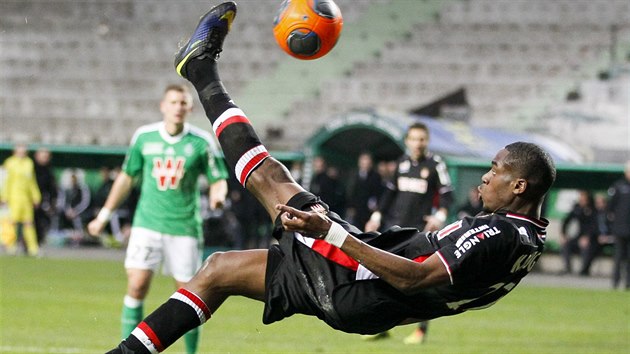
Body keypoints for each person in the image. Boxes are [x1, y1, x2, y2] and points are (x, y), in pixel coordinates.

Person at [106, 3, 556, 353]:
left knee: (271, 179)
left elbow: (418, 278)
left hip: (358, 278)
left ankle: (201, 70)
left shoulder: (498, 234)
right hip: (363, 292)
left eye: (495, 171)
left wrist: (333, 235)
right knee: (218, 271)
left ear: (520, 186)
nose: (484, 178)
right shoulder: (525, 240)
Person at [88, 83, 229, 354]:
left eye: (183, 103)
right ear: (163, 106)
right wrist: (104, 215)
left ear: (189, 108)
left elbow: (218, 178)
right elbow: (126, 178)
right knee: (137, 285)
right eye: (173, 102)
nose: (178, 107)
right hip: (147, 225)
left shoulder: (200, 142)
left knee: (190, 295)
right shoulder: (144, 137)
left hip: (184, 228)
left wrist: (217, 196)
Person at [363, 122, 454, 344]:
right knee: (385, 277)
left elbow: (447, 194)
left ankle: (421, 331)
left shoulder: (435, 164)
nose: (418, 143)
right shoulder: (402, 164)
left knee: (419, 281)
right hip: (396, 228)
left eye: (422, 139)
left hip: (420, 231)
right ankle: (382, 325)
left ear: (427, 141)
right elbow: (389, 194)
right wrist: (376, 217)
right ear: (407, 141)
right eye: (414, 139)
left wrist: (439, 217)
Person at [0, 143, 41, 256]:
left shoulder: (29, 163)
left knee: (28, 223)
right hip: (13, 198)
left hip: (26, 199)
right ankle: (11, 246)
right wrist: (4, 196)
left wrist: (36, 196)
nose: (22, 151)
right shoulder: (10, 163)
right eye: (20, 149)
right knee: (12, 222)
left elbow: (32, 181)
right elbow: (6, 181)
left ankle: (32, 248)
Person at [559, 190, 596, 275]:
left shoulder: (592, 210)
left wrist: (587, 237)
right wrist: (563, 234)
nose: (581, 201)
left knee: (586, 247)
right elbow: (566, 221)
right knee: (566, 245)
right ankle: (567, 268)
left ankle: (584, 270)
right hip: (578, 237)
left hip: (590, 238)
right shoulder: (577, 208)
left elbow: (593, 226)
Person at [345, 152, 383, 230]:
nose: (365, 164)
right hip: (356, 209)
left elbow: (377, 192)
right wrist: (351, 206)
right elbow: (351, 191)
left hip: (368, 209)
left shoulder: (376, 176)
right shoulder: (354, 175)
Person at [607, 161, 630, 290]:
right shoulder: (618, 187)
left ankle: (628, 284)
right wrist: (611, 225)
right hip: (620, 229)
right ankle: (615, 282)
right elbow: (610, 208)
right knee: (618, 257)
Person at [57, 169, 92, 245]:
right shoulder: (66, 189)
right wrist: (67, 211)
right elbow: (62, 202)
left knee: (77, 218)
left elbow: (85, 203)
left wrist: (75, 211)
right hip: (68, 213)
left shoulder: (83, 189)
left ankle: (80, 237)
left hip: (80, 213)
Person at [33, 147, 57, 245]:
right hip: (28, 200)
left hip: (42, 202)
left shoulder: (49, 170)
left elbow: (52, 188)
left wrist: (52, 202)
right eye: (43, 156)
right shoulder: (30, 167)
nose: (45, 159)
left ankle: (37, 243)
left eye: (46, 157)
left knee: (40, 223)